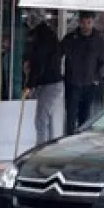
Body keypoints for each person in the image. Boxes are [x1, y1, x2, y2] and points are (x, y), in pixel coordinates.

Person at [61, 11, 104, 134]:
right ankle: (69, 140)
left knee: (86, 116)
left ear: (93, 22)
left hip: (90, 85)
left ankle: (81, 141)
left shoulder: (99, 40)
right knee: (71, 116)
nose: (86, 25)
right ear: (79, 22)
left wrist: (97, 78)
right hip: (73, 84)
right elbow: (58, 56)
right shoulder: (70, 39)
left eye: (89, 22)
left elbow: (103, 62)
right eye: (83, 22)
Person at [22, 13, 64, 145]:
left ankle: (41, 150)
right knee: (47, 118)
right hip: (50, 82)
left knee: (41, 119)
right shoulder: (44, 34)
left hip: (50, 83)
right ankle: (49, 147)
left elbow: (39, 62)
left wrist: (30, 85)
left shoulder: (42, 36)